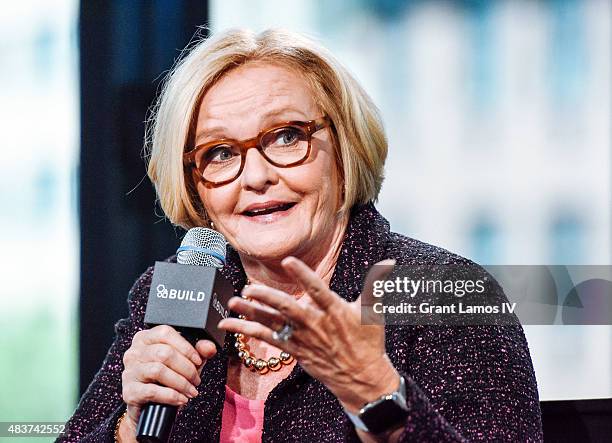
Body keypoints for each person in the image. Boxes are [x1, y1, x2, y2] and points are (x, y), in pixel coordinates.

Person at [58, 28, 543, 442]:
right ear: (194, 184)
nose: (255, 176)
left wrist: (374, 394)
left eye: (287, 136)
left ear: (345, 146)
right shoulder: (173, 295)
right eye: (220, 153)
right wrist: (130, 425)